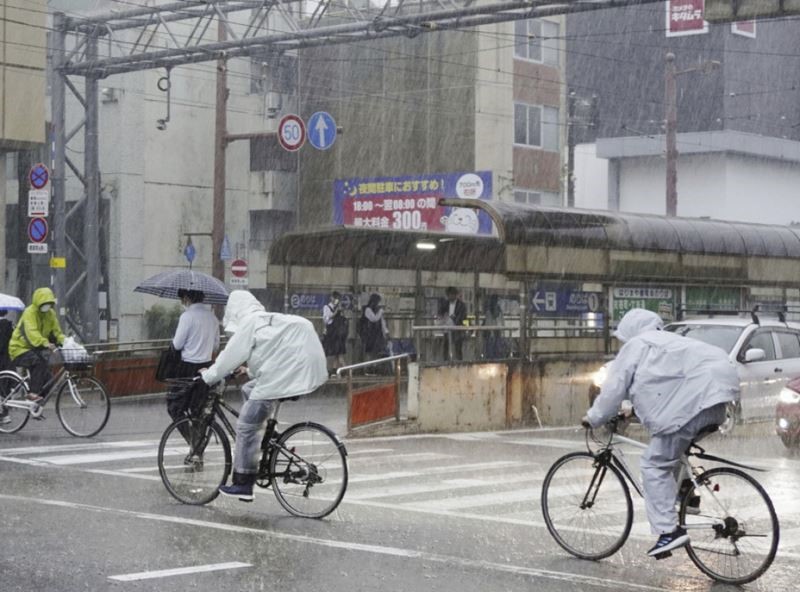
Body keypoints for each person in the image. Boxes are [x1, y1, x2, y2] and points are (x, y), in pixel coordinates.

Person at [582, 308, 739, 558]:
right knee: (672, 451)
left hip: (693, 405)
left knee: (654, 465)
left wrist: (593, 419)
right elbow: (666, 385)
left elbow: (613, 389)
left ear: (631, 331)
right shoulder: (673, 342)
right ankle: (688, 493)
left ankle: (668, 532)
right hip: (717, 403)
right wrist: (631, 411)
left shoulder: (637, 345)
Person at [199, 290, 327, 501]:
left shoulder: (250, 323)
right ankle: (270, 436)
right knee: (248, 389)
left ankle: (243, 484)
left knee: (246, 426)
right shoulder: (266, 320)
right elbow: (273, 354)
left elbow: (228, 357)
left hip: (284, 376)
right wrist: (248, 372)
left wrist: (208, 377)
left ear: (235, 311)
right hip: (299, 369)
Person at [166, 289, 220, 428]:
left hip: (187, 369)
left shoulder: (187, 316)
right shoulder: (213, 318)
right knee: (198, 407)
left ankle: (191, 439)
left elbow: (177, 345)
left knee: (175, 407)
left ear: (187, 298)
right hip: (207, 368)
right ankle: (199, 437)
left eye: (182, 299)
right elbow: (216, 346)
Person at [7, 287, 65, 402]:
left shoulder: (50, 314)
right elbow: (32, 333)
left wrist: (66, 342)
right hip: (19, 349)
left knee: (49, 381)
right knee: (37, 363)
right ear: (38, 302)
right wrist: (46, 343)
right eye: (44, 303)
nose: (47, 306)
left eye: (49, 303)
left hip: (34, 349)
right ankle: (33, 394)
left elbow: (57, 332)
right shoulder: (29, 312)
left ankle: (36, 405)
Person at [321, 291, 347, 375]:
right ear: (331, 298)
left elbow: (343, 319)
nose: (335, 300)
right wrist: (335, 312)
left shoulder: (339, 307)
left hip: (339, 334)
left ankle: (334, 370)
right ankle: (345, 371)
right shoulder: (327, 307)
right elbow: (326, 320)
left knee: (337, 353)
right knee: (337, 353)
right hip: (332, 333)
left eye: (337, 298)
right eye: (334, 297)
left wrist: (340, 311)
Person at [359, 293, 389, 361]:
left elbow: (382, 322)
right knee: (369, 351)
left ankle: (374, 366)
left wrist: (386, 332)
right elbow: (374, 319)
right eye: (377, 302)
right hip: (369, 334)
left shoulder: (377, 310)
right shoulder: (367, 309)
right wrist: (380, 311)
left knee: (376, 351)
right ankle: (367, 366)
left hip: (377, 334)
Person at [444, 287, 467, 360]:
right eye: (449, 295)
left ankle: (459, 362)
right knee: (446, 346)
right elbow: (440, 313)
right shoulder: (445, 303)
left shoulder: (461, 305)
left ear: (455, 295)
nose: (450, 297)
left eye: (452, 295)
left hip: (457, 329)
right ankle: (446, 361)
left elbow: (463, 316)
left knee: (458, 347)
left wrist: (455, 319)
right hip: (447, 328)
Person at [482, 295, 505, 359]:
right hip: (492, 334)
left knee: (493, 350)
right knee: (494, 350)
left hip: (494, 333)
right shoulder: (493, 311)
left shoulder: (491, 311)